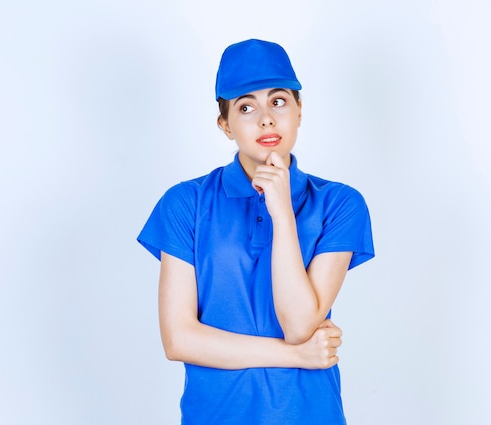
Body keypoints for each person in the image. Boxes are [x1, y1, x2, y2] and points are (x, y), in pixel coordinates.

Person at [137, 39, 374, 425]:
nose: (266, 119)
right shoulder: (185, 203)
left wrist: (281, 212)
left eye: (278, 101)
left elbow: (299, 324)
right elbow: (179, 339)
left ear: (299, 111)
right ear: (225, 124)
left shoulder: (339, 204)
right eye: (246, 107)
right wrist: (296, 356)